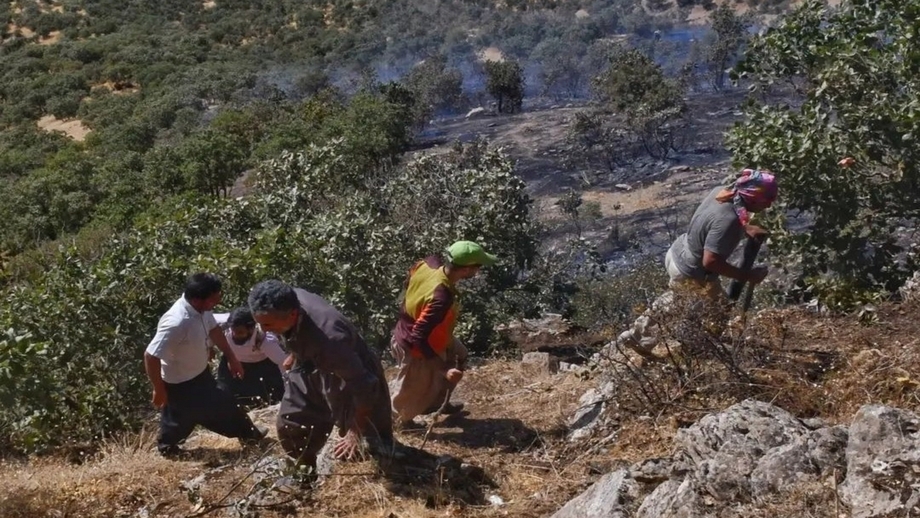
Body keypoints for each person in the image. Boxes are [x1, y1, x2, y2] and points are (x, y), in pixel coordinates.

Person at [617, 169, 779, 354]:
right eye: (766, 201)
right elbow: (710, 261)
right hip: (690, 270)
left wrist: (745, 228)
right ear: (752, 197)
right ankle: (649, 340)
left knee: (691, 304)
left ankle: (660, 338)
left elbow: (712, 223)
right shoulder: (729, 220)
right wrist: (748, 276)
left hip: (678, 253)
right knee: (709, 308)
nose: (767, 206)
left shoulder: (722, 193)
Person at [247, 280, 394, 471]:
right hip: (309, 363)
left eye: (267, 324)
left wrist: (354, 430)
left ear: (292, 314)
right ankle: (305, 473)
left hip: (352, 374)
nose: (264, 330)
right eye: (259, 323)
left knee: (370, 444)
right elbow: (295, 331)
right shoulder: (285, 299)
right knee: (292, 423)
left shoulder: (331, 339)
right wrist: (295, 352)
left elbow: (364, 385)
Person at [143, 273, 267, 457]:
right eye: (214, 298)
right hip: (181, 383)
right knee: (221, 407)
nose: (217, 301)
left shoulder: (202, 310)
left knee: (180, 417)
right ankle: (250, 436)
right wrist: (158, 389)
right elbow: (150, 356)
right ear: (197, 299)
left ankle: (168, 447)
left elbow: (213, 329)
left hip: (199, 374)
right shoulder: (176, 322)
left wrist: (231, 357)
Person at [389, 240, 497, 427]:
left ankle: (436, 404)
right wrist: (442, 369)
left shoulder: (429, 262)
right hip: (415, 347)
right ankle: (395, 425)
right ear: (466, 270)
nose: (478, 271)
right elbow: (419, 336)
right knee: (405, 398)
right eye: (477, 267)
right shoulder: (441, 297)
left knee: (459, 355)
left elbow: (411, 275)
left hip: (434, 337)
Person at [214, 306, 291, 407]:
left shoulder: (266, 341)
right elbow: (204, 323)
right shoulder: (223, 324)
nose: (235, 335)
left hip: (260, 368)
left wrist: (289, 391)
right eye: (233, 331)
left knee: (262, 401)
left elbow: (283, 364)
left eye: (240, 332)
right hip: (231, 362)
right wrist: (209, 347)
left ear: (251, 329)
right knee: (224, 395)